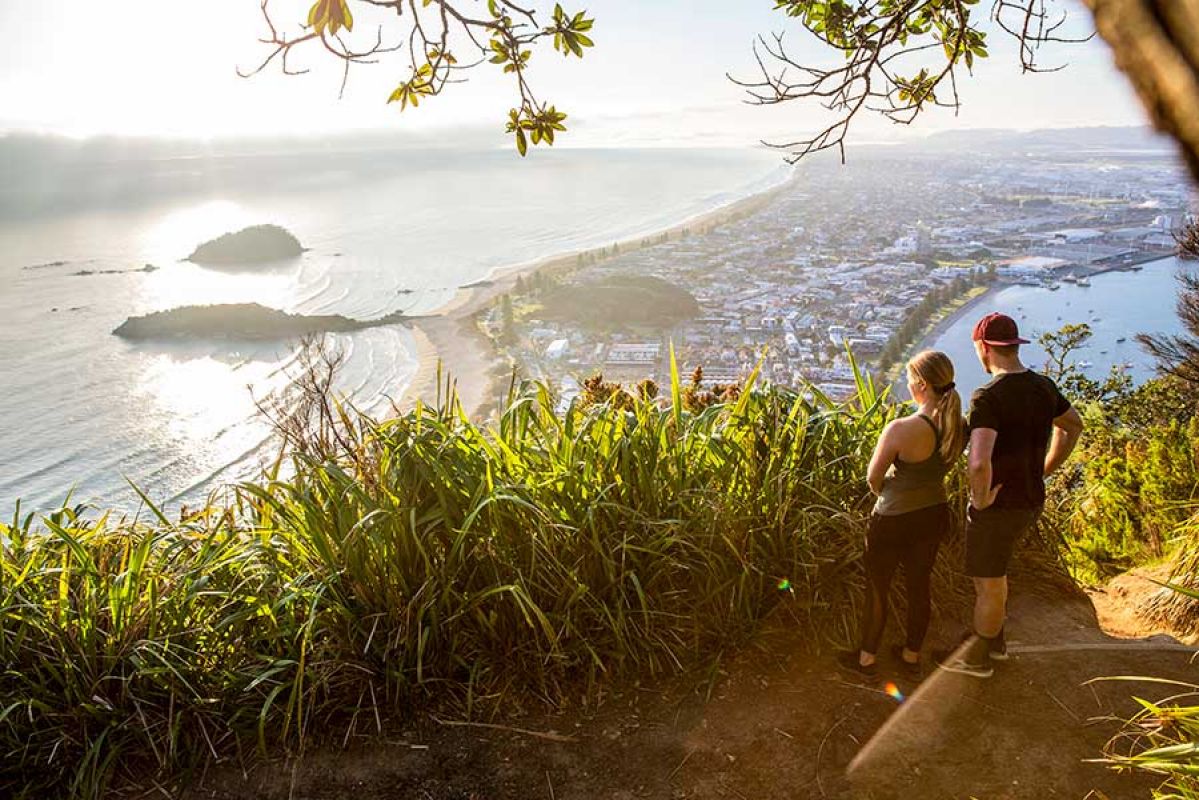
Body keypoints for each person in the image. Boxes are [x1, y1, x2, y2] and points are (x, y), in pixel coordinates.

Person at [939, 312, 1084, 678]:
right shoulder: (1043, 387)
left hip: (998, 504)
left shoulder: (988, 396)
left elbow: (978, 462)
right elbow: (1073, 425)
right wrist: (1046, 469)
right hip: (1031, 499)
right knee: (997, 573)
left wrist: (978, 498)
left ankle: (977, 660)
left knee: (988, 582)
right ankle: (996, 643)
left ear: (984, 347)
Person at [838, 350, 966, 679]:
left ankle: (866, 658)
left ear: (921, 384)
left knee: (878, 587)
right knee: (919, 585)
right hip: (934, 513)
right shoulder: (958, 424)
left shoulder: (901, 429)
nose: (907, 385)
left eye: (909, 379)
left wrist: (890, 494)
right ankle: (911, 655)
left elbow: (873, 478)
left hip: (893, 518)